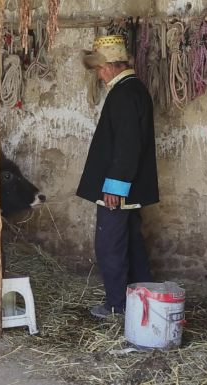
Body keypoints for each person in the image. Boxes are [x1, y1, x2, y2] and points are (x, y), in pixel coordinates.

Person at [77, 35, 160, 319]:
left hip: (118, 190)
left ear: (112, 65)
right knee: (132, 244)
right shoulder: (135, 89)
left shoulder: (123, 92)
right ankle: (144, 299)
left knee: (110, 246)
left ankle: (116, 305)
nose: (99, 75)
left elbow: (126, 145)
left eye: (100, 68)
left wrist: (114, 187)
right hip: (131, 189)